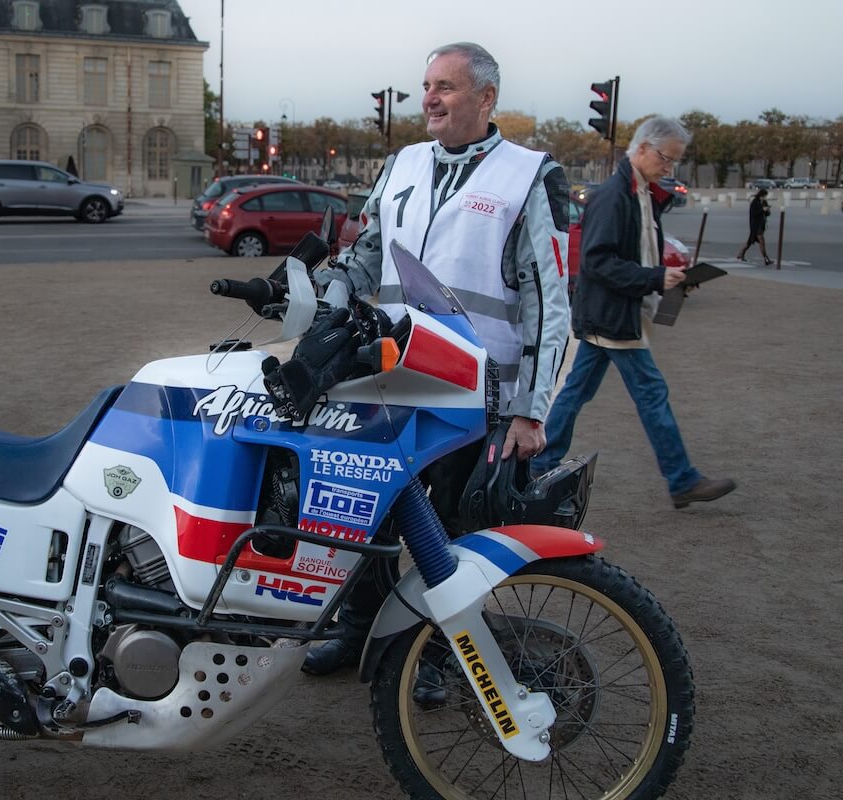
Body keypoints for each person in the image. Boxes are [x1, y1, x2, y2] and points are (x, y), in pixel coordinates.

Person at [303, 42, 572, 675]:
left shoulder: (531, 175)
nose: (430, 98)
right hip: (391, 375)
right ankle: (357, 629)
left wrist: (532, 411)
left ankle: (436, 657)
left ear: (486, 98)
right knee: (366, 517)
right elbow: (366, 254)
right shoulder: (401, 164)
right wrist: (321, 292)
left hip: (475, 391)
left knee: (448, 534)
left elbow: (550, 301)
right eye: (427, 85)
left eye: (446, 87)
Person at [532, 116, 736, 511]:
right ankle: (681, 479)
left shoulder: (635, 191)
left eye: (673, 161)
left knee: (576, 393)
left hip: (610, 314)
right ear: (641, 148)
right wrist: (658, 277)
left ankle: (539, 463)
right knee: (649, 393)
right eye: (666, 158)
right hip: (614, 317)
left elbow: (608, 260)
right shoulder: (616, 195)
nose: (669, 168)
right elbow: (598, 263)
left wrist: (662, 277)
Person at [737, 188, 773, 265]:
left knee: (750, 242)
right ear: (760, 195)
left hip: (761, 225)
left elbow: (767, 214)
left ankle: (740, 254)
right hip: (755, 225)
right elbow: (754, 214)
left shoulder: (764, 202)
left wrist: (767, 210)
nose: (764, 198)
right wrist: (762, 210)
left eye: (765, 196)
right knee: (761, 241)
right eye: (763, 196)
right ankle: (766, 259)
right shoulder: (754, 203)